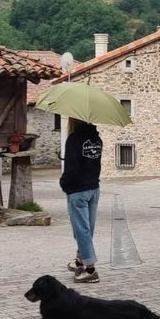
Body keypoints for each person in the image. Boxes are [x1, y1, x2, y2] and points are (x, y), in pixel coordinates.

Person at [60, 118, 103, 283]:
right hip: (94, 188)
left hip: (78, 190)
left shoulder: (74, 139)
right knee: (88, 228)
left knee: (81, 229)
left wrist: (64, 184)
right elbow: (95, 164)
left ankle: (90, 269)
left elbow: (71, 169)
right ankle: (80, 259)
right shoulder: (97, 139)